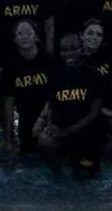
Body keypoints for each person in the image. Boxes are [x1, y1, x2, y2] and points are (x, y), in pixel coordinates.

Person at [34, 32, 107, 176]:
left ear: (82, 49)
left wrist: (69, 131)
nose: (69, 53)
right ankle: (59, 169)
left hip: (87, 133)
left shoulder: (93, 75)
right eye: (64, 50)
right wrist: (49, 126)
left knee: (85, 178)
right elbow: (51, 105)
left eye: (73, 48)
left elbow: (95, 113)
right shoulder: (55, 75)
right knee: (45, 140)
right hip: (62, 130)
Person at [0, 19, 53, 155]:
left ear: (36, 36)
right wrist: (9, 139)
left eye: (28, 32)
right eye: (20, 34)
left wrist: (42, 119)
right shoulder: (10, 67)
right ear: (15, 40)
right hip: (25, 120)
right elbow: (9, 104)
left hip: (50, 115)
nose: (24, 36)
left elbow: (56, 95)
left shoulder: (50, 61)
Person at [79, 19, 112, 146]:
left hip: (110, 103)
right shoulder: (76, 59)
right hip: (86, 109)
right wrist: (108, 113)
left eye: (99, 35)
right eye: (90, 33)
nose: (94, 37)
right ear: (82, 35)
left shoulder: (107, 52)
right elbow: (82, 96)